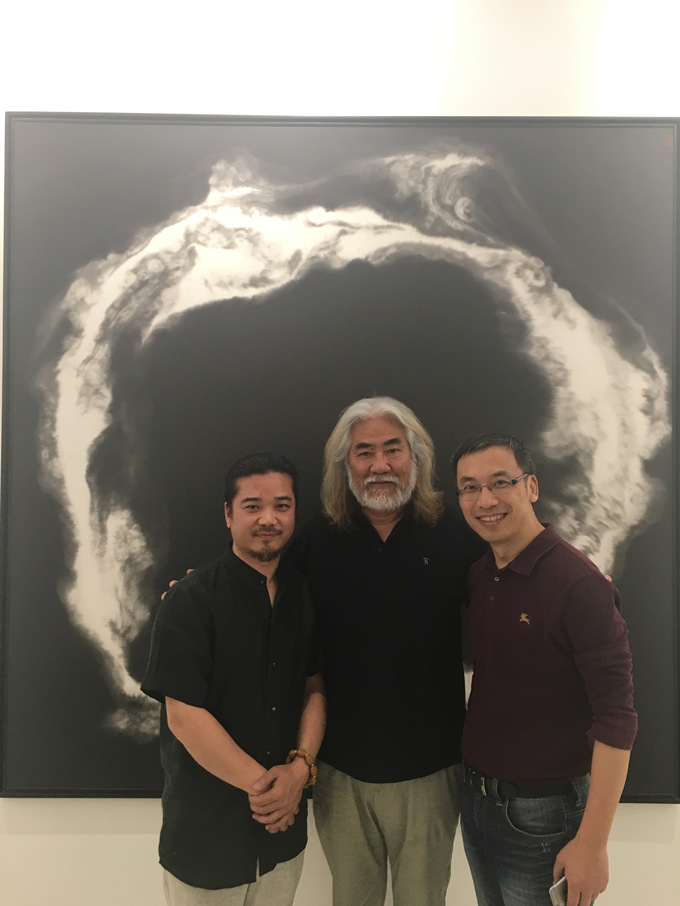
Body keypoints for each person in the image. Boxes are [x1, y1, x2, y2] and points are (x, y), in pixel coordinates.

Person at [289, 397, 484, 906]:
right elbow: (261, 593)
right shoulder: (318, 538)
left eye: (392, 449)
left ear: (415, 456)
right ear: (345, 464)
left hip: (432, 768)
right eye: (364, 452)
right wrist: (197, 591)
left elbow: (517, 584)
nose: (379, 465)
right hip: (339, 769)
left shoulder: (456, 533)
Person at [450, 433, 637, 906]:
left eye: (500, 482)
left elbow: (617, 719)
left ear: (531, 487)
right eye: (470, 487)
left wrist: (592, 844)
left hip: (545, 816)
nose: (485, 500)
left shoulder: (579, 585)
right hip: (477, 802)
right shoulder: (480, 575)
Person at [142, 452, 326, 906]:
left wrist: (299, 771)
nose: (269, 519)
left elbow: (314, 688)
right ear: (228, 514)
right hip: (206, 839)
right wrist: (271, 792)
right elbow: (184, 716)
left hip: (282, 841)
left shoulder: (304, 595)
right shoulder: (189, 600)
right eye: (252, 506)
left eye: (282, 505)